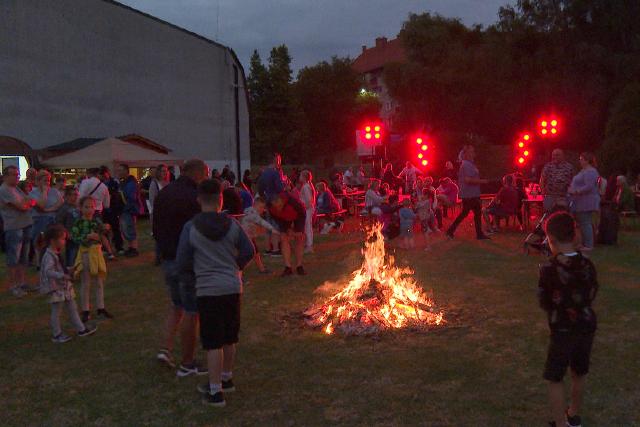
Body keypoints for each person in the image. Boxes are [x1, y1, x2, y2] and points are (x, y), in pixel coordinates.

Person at [176, 179, 255, 408]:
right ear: (221, 200)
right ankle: (226, 378)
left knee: (213, 342)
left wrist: (195, 279)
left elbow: (183, 261)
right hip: (231, 286)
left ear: (199, 200)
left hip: (207, 289)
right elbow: (249, 250)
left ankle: (215, 392)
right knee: (230, 336)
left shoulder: (191, 227)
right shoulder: (232, 225)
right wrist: (235, 267)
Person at [538, 212, 598, 427]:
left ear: (551, 240)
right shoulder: (587, 264)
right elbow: (592, 291)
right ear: (574, 236)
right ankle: (574, 414)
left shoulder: (549, 269)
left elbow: (544, 300)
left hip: (563, 329)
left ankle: (561, 423)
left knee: (555, 377)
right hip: (586, 325)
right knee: (579, 372)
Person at [153, 159, 210, 375]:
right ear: (200, 173)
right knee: (191, 310)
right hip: (188, 260)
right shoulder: (195, 196)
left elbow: (155, 227)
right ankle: (188, 362)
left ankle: (165, 349)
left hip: (168, 258)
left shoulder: (164, 193)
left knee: (176, 305)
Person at [39, 224, 97, 343]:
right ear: (53, 241)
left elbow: (58, 267)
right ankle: (57, 334)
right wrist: (62, 275)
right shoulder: (49, 256)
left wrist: (69, 270)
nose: (64, 241)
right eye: (62, 239)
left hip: (64, 286)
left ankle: (81, 329)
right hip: (56, 288)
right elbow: (48, 271)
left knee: (72, 308)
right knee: (57, 311)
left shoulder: (56, 253)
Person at [71, 197, 112, 323]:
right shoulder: (78, 223)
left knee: (99, 281)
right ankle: (85, 310)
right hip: (85, 254)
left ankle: (101, 307)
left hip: (97, 253)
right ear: (80, 208)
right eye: (86, 207)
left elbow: (104, 235)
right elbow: (75, 238)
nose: (89, 210)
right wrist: (87, 236)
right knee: (86, 282)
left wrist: (105, 229)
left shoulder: (96, 222)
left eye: (91, 207)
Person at [0, 165, 34, 297]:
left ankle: (22, 282)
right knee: (13, 257)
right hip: (14, 227)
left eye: (18, 174)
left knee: (23, 257)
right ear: (5, 176)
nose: (17, 177)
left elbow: (29, 201)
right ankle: (14, 285)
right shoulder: (4, 190)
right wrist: (27, 204)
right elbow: (22, 206)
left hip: (25, 224)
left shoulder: (16, 189)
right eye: (14, 174)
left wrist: (27, 203)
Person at [445, 145, 491, 240]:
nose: (474, 153)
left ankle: (478, 234)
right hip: (469, 194)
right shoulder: (466, 165)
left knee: (473, 213)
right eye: (471, 152)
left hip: (473, 193)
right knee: (468, 213)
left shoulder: (470, 164)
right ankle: (451, 231)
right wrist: (483, 181)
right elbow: (467, 180)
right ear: (466, 154)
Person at [30, 170, 64, 267]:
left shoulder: (54, 191)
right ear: (38, 181)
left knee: (53, 241)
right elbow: (41, 205)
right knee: (39, 241)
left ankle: (53, 261)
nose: (47, 183)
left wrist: (49, 210)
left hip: (52, 219)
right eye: (45, 180)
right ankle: (39, 262)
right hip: (39, 220)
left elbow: (60, 202)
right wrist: (44, 192)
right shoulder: (33, 193)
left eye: (48, 180)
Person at [269, 191, 307, 276]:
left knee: (300, 238)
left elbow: (302, 214)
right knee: (283, 238)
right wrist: (287, 229)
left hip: (298, 216)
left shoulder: (294, 204)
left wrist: (299, 230)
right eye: (276, 207)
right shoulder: (271, 207)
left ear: (282, 201)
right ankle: (288, 267)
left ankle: (299, 266)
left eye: (279, 206)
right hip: (282, 219)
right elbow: (276, 219)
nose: (278, 208)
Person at [568, 153, 600, 251]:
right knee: (582, 222)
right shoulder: (584, 171)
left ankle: (589, 245)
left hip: (586, 200)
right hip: (579, 200)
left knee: (585, 222)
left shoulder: (591, 172)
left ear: (587, 160)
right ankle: (584, 243)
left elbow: (589, 186)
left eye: (581, 159)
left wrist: (576, 191)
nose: (580, 161)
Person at [241, 197, 279, 274]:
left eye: (263, 207)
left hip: (248, 237)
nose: (262, 209)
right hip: (245, 238)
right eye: (261, 207)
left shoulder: (249, 211)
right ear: (255, 205)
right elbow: (261, 222)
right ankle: (237, 272)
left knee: (256, 253)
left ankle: (261, 269)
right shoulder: (253, 214)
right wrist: (272, 229)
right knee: (249, 254)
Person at [117, 164, 144, 257]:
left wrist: (125, 208)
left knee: (129, 228)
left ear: (126, 171)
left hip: (128, 210)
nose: (119, 172)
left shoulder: (130, 183)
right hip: (125, 209)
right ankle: (131, 247)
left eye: (120, 170)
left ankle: (134, 248)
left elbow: (131, 198)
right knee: (126, 229)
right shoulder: (125, 182)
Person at [99, 166, 124, 256]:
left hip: (113, 208)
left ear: (108, 172)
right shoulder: (99, 183)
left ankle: (119, 247)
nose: (103, 176)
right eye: (101, 174)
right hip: (103, 209)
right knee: (104, 229)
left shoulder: (114, 181)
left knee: (116, 228)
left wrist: (112, 195)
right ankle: (106, 248)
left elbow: (119, 193)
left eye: (104, 173)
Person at [55, 186, 81, 268]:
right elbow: (59, 222)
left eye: (76, 195)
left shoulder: (78, 207)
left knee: (78, 255)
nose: (74, 197)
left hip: (79, 235)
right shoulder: (64, 208)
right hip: (70, 237)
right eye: (71, 195)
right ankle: (69, 271)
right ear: (66, 196)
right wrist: (66, 232)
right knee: (71, 255)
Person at [299, 170, 315, 253]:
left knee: (307, 227)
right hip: (308, 209)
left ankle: (309, 246)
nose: (299, 177)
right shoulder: (307, 186)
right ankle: (308, 244)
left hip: (307, 209)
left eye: (300, 176)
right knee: (308, 226)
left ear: (304, 177)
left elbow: (309, 200)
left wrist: (304, 208)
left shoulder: (306, 187)